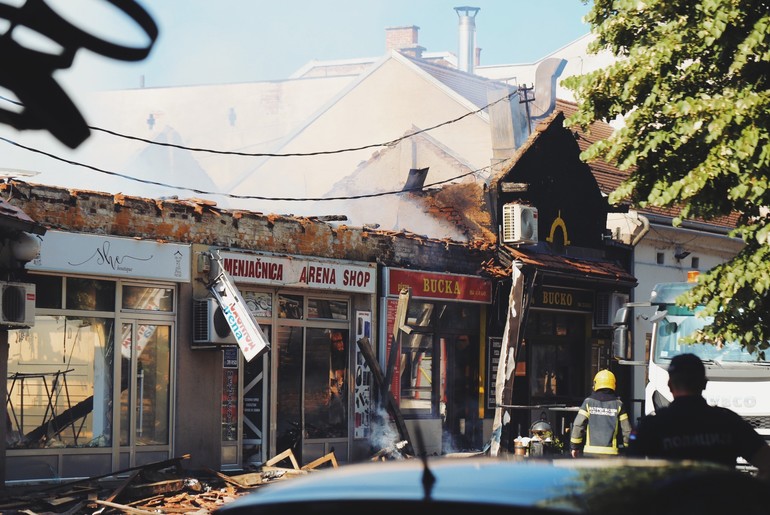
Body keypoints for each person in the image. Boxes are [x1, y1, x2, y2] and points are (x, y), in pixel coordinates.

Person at [628, 353, 770, 480]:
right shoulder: (729, 422)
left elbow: (629, 474)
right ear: (704, 384)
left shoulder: (651, 425)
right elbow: (766, 461)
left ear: (670, 385)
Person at [570, 369, 632, 457]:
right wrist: (628, 449)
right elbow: (627, 430)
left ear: (596, 384)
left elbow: (578, 425)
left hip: (590, 454)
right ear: (613, 384)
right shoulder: (619, 404)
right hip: (611, 455)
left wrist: (574, 447)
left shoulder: (588, 402)